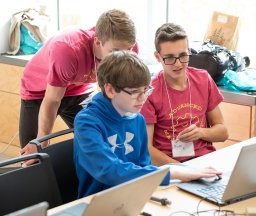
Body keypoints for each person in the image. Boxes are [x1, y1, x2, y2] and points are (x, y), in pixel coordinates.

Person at [74, 50, 221, 198]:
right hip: (98, 201)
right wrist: (173, 171)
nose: (143, 98)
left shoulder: (137, 119)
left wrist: (183, 172)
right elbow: (108, 170)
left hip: (135, 194)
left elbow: (144, 166)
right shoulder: (86, 122)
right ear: (111, 90)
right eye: (135, 92)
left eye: (146, 90)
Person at [19, 9, 138, 164]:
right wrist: (41, 140)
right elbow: (53, 99)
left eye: (128, 49)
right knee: (33, 156)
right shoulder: (68, 49)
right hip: (40, 91)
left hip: (79, 89)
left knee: (102, 138)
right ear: (97, 41)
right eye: (115, 51)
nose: (122, 57)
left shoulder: (128, 48)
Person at [140, 23, 229, 166]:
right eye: (169, 58)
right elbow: (147, 149)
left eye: (183, 56)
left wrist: (201, 132)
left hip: (205, 162)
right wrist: (186, 171)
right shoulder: (150, 91)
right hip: (171, 167)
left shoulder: (203, 79)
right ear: (157, 57)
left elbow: (223, 133)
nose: (178, 64)